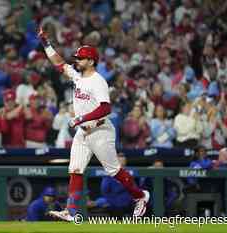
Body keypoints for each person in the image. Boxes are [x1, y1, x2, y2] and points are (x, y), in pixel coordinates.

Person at [37, 27, 149, 221]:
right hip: (83, 132)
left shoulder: (98, 81)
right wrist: (46, 44)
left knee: (113, 170)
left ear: (91, 60)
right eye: (77, 58)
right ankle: (71, 211)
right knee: (75, 169)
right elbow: (59, 63)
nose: (77, 60)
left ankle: (140, 196)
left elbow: (106, 109)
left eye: (81, 58)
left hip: (100, 130)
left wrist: (80, 118)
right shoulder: (78, 77)